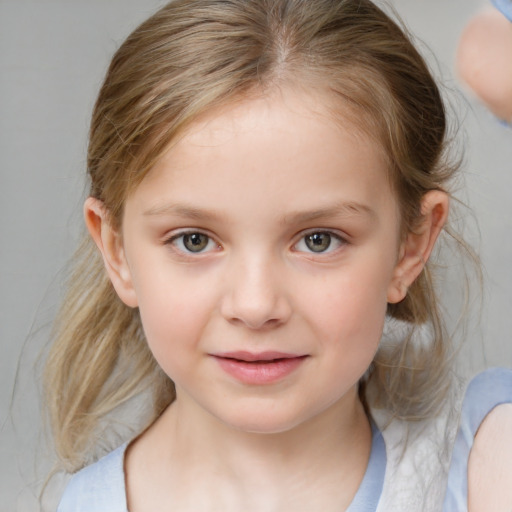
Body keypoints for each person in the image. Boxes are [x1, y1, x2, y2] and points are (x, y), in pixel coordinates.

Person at [43, 0, 469, 510]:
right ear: (117, 252)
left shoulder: (484, 462)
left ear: (411, 244)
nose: (255, 305)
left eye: (319, 240)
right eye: (193, 240)